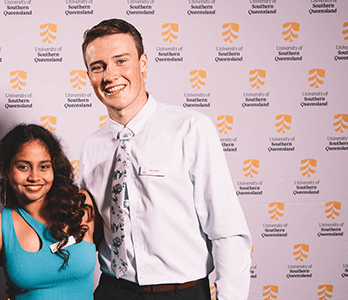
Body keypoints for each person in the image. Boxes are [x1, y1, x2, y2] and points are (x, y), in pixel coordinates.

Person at [79, 19, 252, 300]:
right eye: (98, 67)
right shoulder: (90, 149)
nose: (110, 75)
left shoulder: (191, 129)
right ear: (89, 75)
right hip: (113, 291)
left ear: (143, 63)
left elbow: (227, 230)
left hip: (181, 293)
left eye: (121, 61)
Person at [0, 124, 97, 299]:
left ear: (54, 168)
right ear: (5, 170)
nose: (34, 177)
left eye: (44, 167)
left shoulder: (80, 205)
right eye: (23, 167)